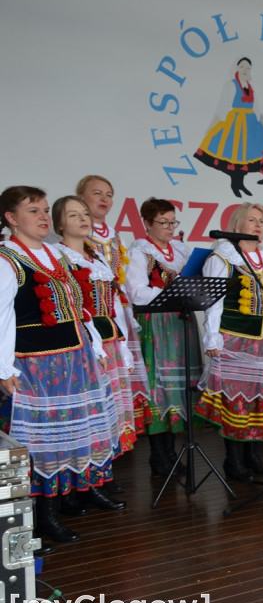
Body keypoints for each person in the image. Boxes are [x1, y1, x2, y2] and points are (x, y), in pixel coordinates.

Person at [0, 186, 122, 544]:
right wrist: (4, 369)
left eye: (43, 210)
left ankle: (64, 500)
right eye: (33, 210)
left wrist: (95, 346)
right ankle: (42, 517)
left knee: (72, 434)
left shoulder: (58, 255)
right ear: (10, 218)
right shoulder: (7, 259)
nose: (42, 217)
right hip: (37, 364)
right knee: (39, 441)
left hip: (75, 357)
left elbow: (82, 308)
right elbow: (2, 318)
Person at [54, 196, 138, 491]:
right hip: (86, 343)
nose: (82, 218)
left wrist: (125, 343)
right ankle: (86, 480)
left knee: (110, 408)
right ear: (60, 223)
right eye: (74, 215)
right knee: (92, 411)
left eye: (85, 214)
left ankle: (103, 473)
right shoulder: (58, 256)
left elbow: (114, 304)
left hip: (111, 338)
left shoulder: (98, 259)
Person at [195, 203, 263, 482]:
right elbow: (213, 302)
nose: (258, 225)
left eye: (262, 221)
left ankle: (252, 454)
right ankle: (233, 460)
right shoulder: (222, 257)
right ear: (236, 225)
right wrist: (212, 336)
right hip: (233, 341)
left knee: (259, 398)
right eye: (251, 220)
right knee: (235, 401)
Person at [125, 198, 202, 477]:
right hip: (156, 322)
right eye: (163, 223)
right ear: (147, 223)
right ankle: (159, 455)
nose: (170, 227)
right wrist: (172, 295)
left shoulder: (180, 250)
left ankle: (172, 450)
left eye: (173, 222)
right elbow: (136, 292)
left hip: (181, 322)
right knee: (160, 387)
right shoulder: (140, 252)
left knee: (180, 388)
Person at [78, 175, 153, 464]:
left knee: (117, 385)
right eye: (96, 193)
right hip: (88, 318)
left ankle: (113, 453)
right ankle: (95, 457)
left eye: (109, 194)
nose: (104, 199)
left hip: (114, 314)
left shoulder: (113, 234)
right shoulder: (73, 234)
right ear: (80, 197)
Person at [193, 57, 263, 198]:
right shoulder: (230, 85)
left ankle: (239, 183)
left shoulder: (251, 87)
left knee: (246, 157)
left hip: (249, 125)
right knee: (235, 155)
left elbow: (257, 109)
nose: (245, 70)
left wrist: (260, 125)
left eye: (248, 67)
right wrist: (212, 126)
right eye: (242, 66)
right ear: (237, 68)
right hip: (236, 124)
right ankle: (236, 183)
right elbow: (222, 108)